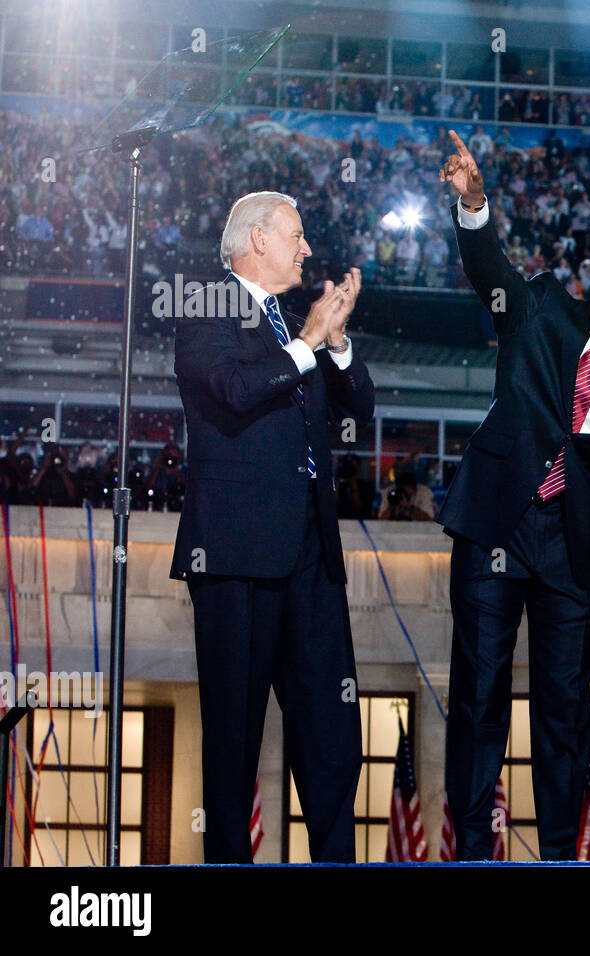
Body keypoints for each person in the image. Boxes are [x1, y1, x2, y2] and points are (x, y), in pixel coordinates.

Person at [437, 130, 590, 860]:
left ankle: (564, 854)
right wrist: (475, 205)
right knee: (478, 697)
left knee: (564, 709)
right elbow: (487, 268)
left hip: (572, 550)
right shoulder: (541, 307)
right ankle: (475, 850)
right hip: (496, 526)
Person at [169, 190, 374, 864]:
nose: (306, 248)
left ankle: (334, 861)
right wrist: (311, 342)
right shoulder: (207, 305)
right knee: (233, 735)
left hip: (311, 555)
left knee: (332, 730)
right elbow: (231, 391)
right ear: (256, 239)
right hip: (233, 552)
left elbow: (359, 408)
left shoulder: (298, 323)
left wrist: (336, 341)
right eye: (296, 234)